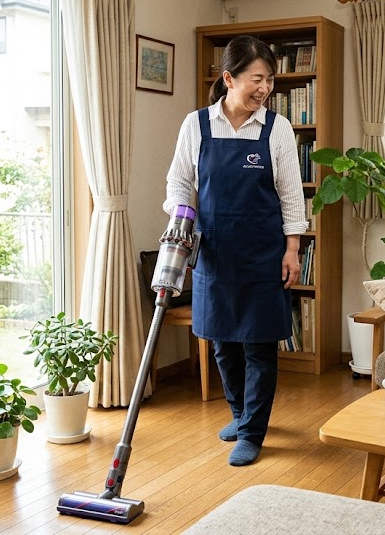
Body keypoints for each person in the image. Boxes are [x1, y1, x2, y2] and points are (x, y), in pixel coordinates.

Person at [163, 35, 306, 466]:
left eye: (270, 80)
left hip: (264, 252)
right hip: (216, 251)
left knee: (260, 345)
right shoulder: (197, 125)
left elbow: (291, 195)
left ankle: (252, 432)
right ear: (229, 77)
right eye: (256, 79)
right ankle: (240, 413)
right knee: (222, 341)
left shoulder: (276, 128)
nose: (265, 88)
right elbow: (177, 183)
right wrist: (181, 214)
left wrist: (292, 248)